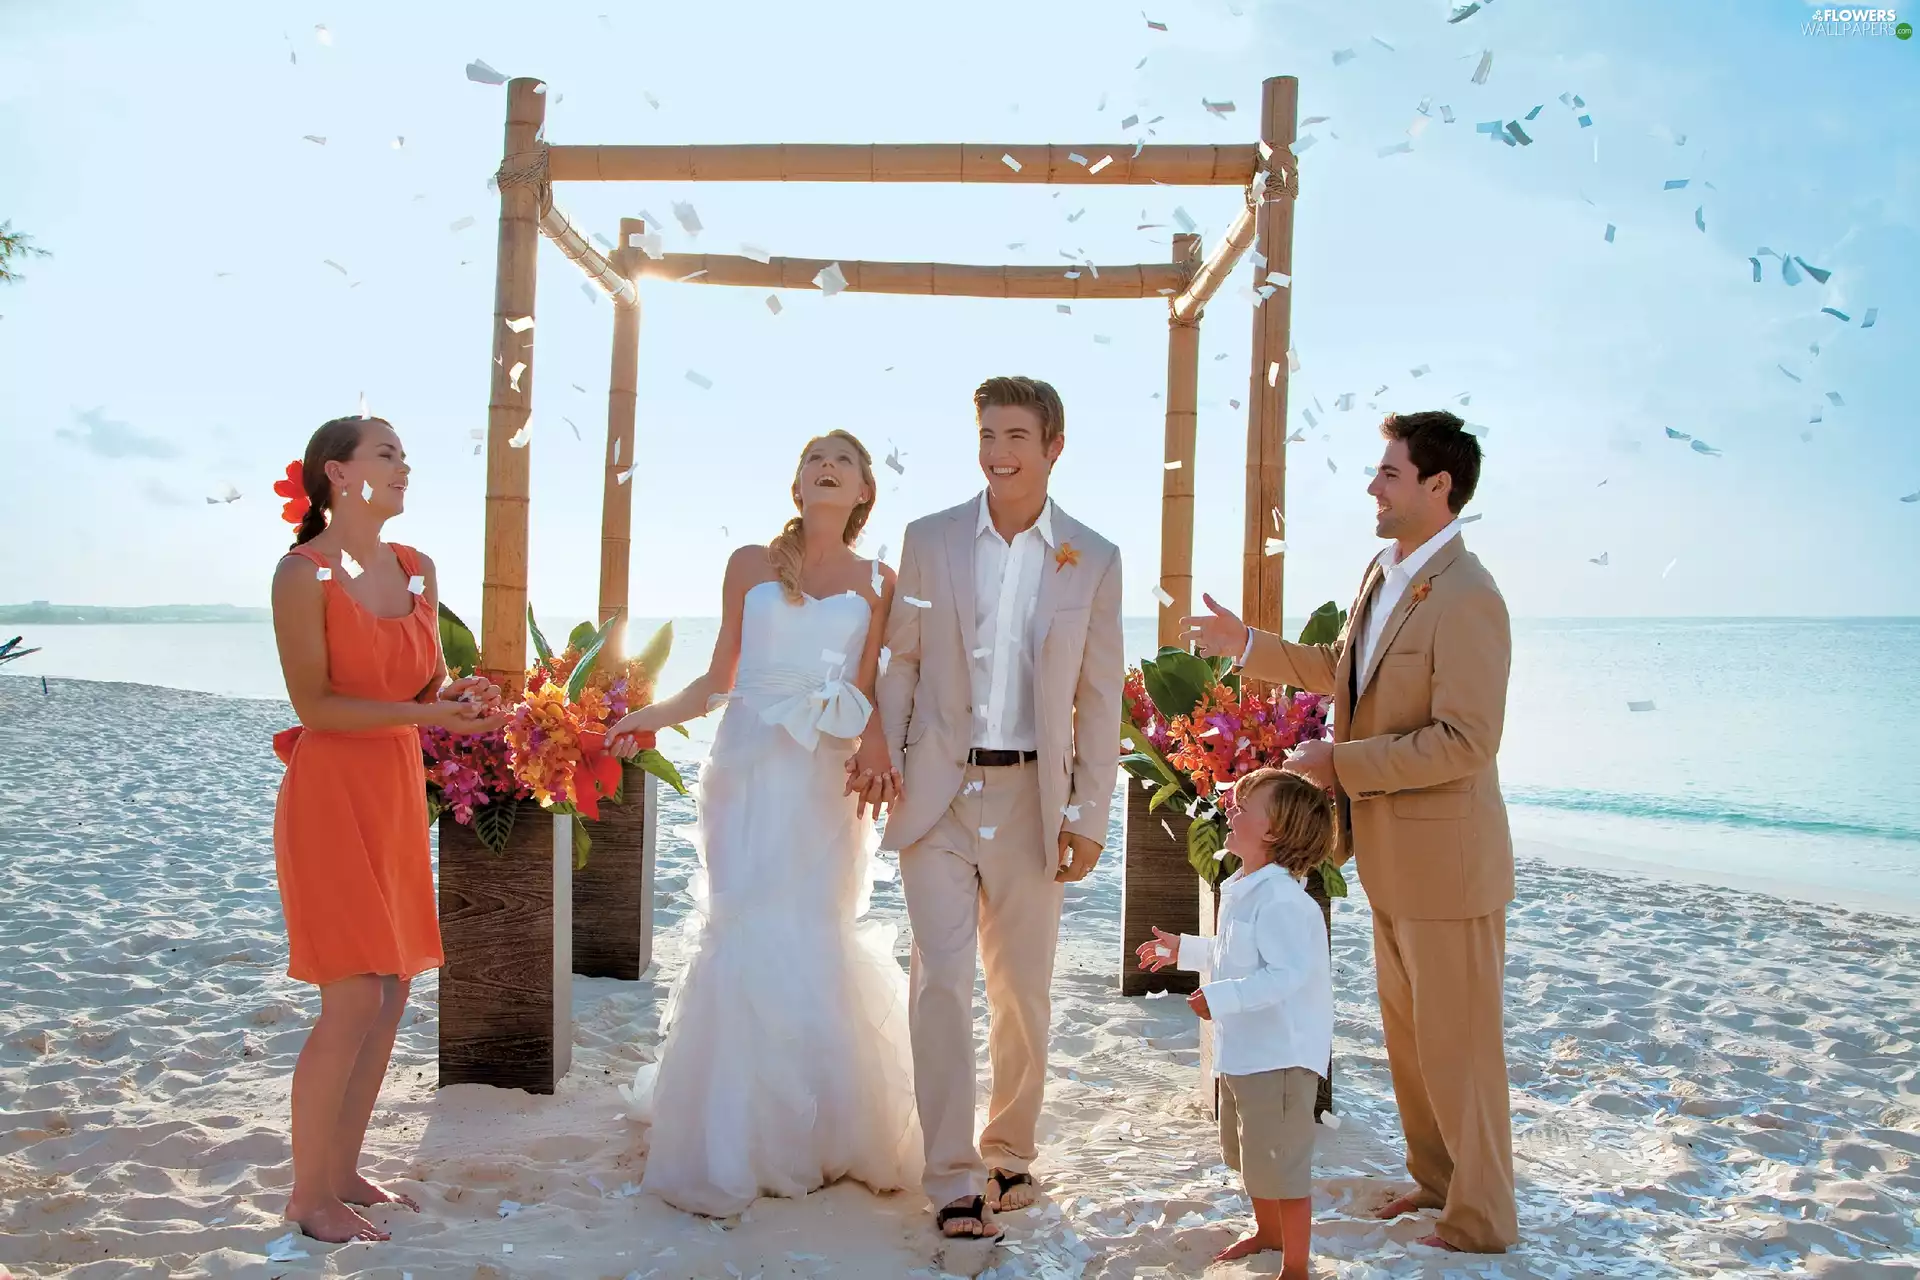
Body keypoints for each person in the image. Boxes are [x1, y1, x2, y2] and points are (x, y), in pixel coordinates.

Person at [1180, 409, 1517, 1254]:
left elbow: (1468, 741)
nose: (1373, 485)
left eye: (1390, 473)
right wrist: (1246, 643)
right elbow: (1346, 674)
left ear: (1439, 488)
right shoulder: (1388, 575)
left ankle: (1481, 1217)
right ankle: (1437, 1184)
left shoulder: (1472, 598)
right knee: (1412, 1042)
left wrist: (1343, 764)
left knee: (1462, 1050)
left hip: (1452, 865)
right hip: (1393, 863)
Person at [605, 430, 920, 1218]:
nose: (825, 468)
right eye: (815, 458)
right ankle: (733, 1130)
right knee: (742, 925)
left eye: (842, 462)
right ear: (798, 483)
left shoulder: (882, 580)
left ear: (862, 493)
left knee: (814, 928)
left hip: (824, 772)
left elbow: (876, 687)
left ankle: (825, 1129)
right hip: (745, 768)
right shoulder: (750, 563)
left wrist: (877, 750)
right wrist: (644, 715)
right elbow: (719, 679)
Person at [846, 375, 1124, 1240]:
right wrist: (882, 745)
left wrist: (1087, 815)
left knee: (1023, 993)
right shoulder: (929, 539)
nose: (997, 452)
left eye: (1015, 436)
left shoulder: (1095, 555)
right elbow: (902, 659)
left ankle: (1009, 1152)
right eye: (987, 434)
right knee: (943, 984)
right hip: (937, 791)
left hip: (1035, 796)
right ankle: (954, 1178)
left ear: (1053, 447)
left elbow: (1100, 700)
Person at [270, 415, 507, 1243]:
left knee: (394, 989)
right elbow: (316, 706)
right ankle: (306, 1196)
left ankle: (341, 1173)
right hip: (332, 792)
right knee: (352, 996)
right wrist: (424, 711)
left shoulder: (418, 570)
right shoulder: (302, 574)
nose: (405, 465)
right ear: (338, 473)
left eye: (405, 454)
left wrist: (463, 699)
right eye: (387, 454)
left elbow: (429, 681)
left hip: (397, 789)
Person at [1137, 768, 1334, 1276]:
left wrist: (1220, 999)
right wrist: (1184, 949)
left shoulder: (1285, 902)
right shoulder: (1246, 886)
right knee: (1250, 1152)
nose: (1230, 807)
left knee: (1282, 1163)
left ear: (1274, 832)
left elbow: (1285, 977)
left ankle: (1296, 1266)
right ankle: (1267, 1233)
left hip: (1282, 1057)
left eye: (1244, 805)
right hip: (1247, 1052)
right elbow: (1233, 953)